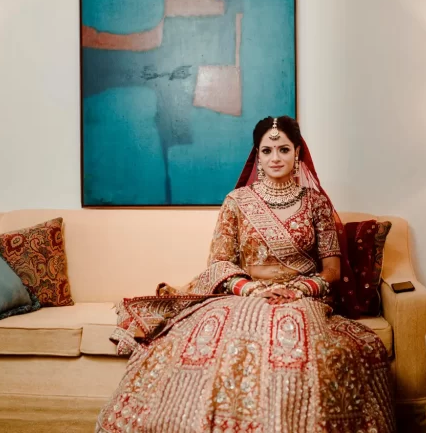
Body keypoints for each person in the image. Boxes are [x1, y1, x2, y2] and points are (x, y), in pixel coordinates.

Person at [95, 116, 395, 432]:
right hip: (244, 294)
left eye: (283, 149)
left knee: (293, 338)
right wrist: (252, 291)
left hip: (303, 296)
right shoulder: (237, 202)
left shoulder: (316, 203)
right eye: (267, 150)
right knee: (219, 338)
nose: (275, 157)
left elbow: (332, 270)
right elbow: (220, 264)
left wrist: (298, 290)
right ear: (257, 155)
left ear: (297, 153)